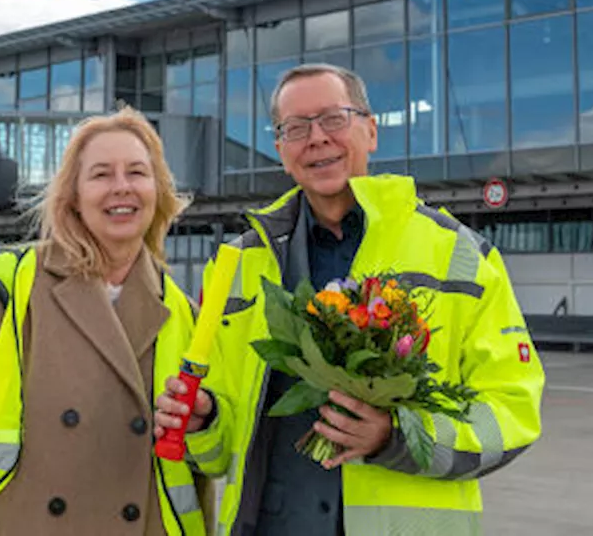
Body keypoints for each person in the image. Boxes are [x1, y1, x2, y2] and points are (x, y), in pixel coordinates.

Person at [200, 63, 544, 535]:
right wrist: (204, 418)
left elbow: (512, 411)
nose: (316, 137)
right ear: (281, 151)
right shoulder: (237, 265)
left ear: (371, 131)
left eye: (334, 119)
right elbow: (220, 447)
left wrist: (399, 437)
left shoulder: (459, 254)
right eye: (295, 128)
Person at [0, 107, 232, 535]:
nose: (122, 188)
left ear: (158, 192)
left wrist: (205, 422)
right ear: (74, 196)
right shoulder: (10, 284)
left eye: (137, 172)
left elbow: (218, 457)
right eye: (101, 175)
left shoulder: (187, 312)